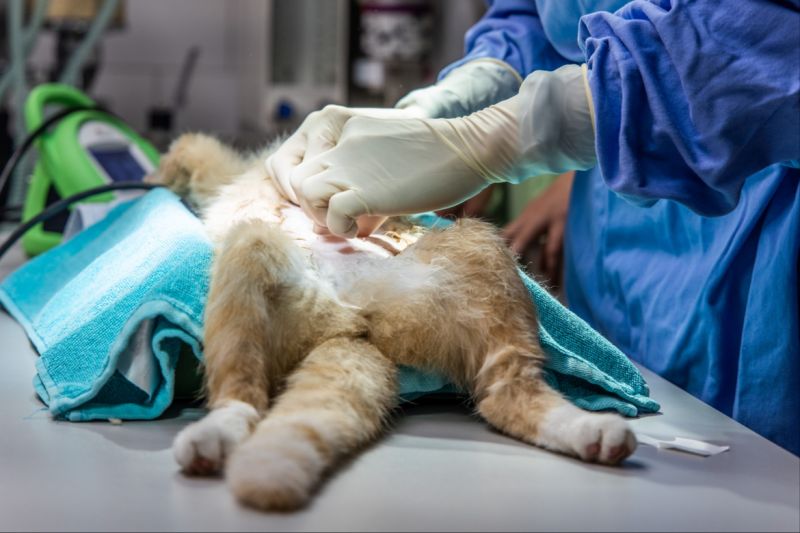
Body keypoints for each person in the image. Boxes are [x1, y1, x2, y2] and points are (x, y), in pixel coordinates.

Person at [267, 0, 800, 455]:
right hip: (614, 252)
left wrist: (512, 133)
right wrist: (459, 99)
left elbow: (765, 40)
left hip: (763, 235)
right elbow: (544, 19)